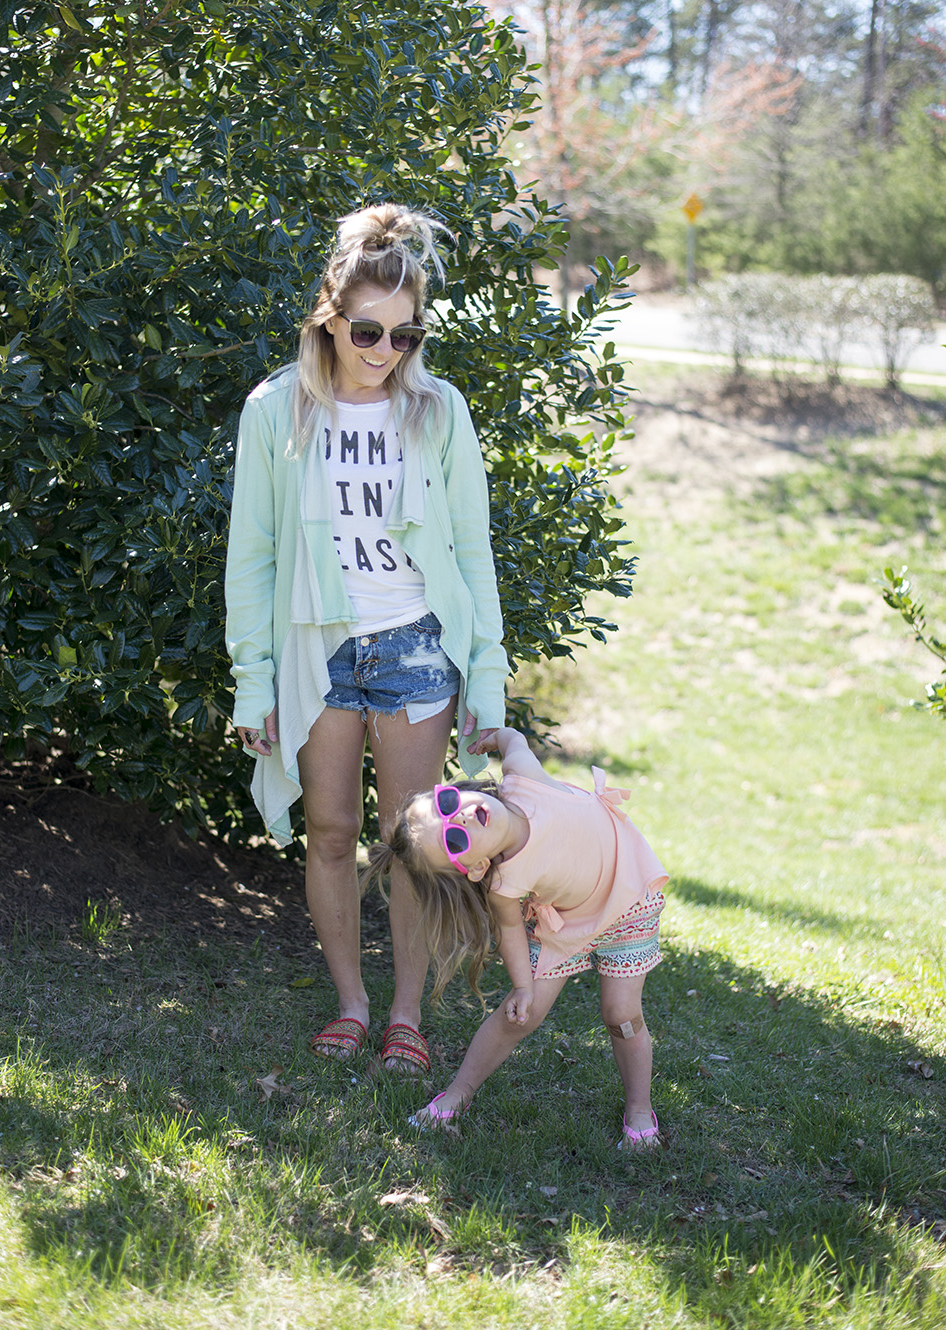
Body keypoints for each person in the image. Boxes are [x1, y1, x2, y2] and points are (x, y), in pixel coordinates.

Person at [224, 204, 507, 1076]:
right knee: (330, 827)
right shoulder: (278, 410)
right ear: (331, 318)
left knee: (412, 840)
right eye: (370, 330)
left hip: (418, 643)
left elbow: (470, 548)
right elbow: (255, 556)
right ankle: (350, 1004)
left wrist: (488, 687)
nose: (386, 350)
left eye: (407, 333)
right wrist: (252, 681)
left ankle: (406, 1016)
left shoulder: (437, 409)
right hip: (318, 648)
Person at [365, 727, 669, 1146]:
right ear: (473, 867)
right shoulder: (504, 883)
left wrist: (498, 735)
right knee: (519, 1014)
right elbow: (510, 929)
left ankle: (638, 1109)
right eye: (455, 838)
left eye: (449, 804)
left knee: (621, 1014)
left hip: (629, 900)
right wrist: (523, 988)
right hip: (565, 925)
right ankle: (455, 1097)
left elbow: (515, 743)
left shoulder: (524, 781)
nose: (463, 818)